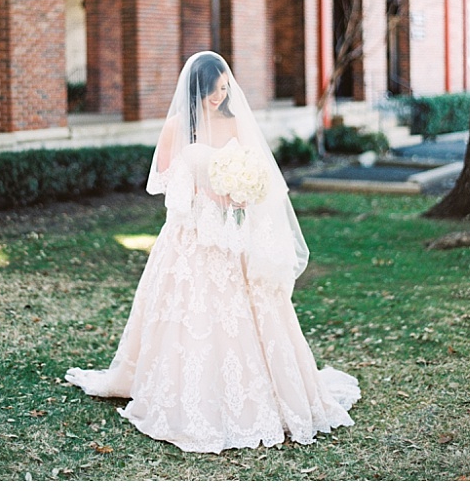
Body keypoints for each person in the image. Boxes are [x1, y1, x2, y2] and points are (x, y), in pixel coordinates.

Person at [64, 51, 359, 453]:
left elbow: (259, 178)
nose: (221, 95)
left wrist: (240, 194)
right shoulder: (175, 128)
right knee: (188, 315)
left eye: (225, 87)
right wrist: (206, 192)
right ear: (197, 89)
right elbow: (168, 182)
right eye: (214, 89)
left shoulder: (236, 124)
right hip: (189, 235)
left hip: (232, 238)